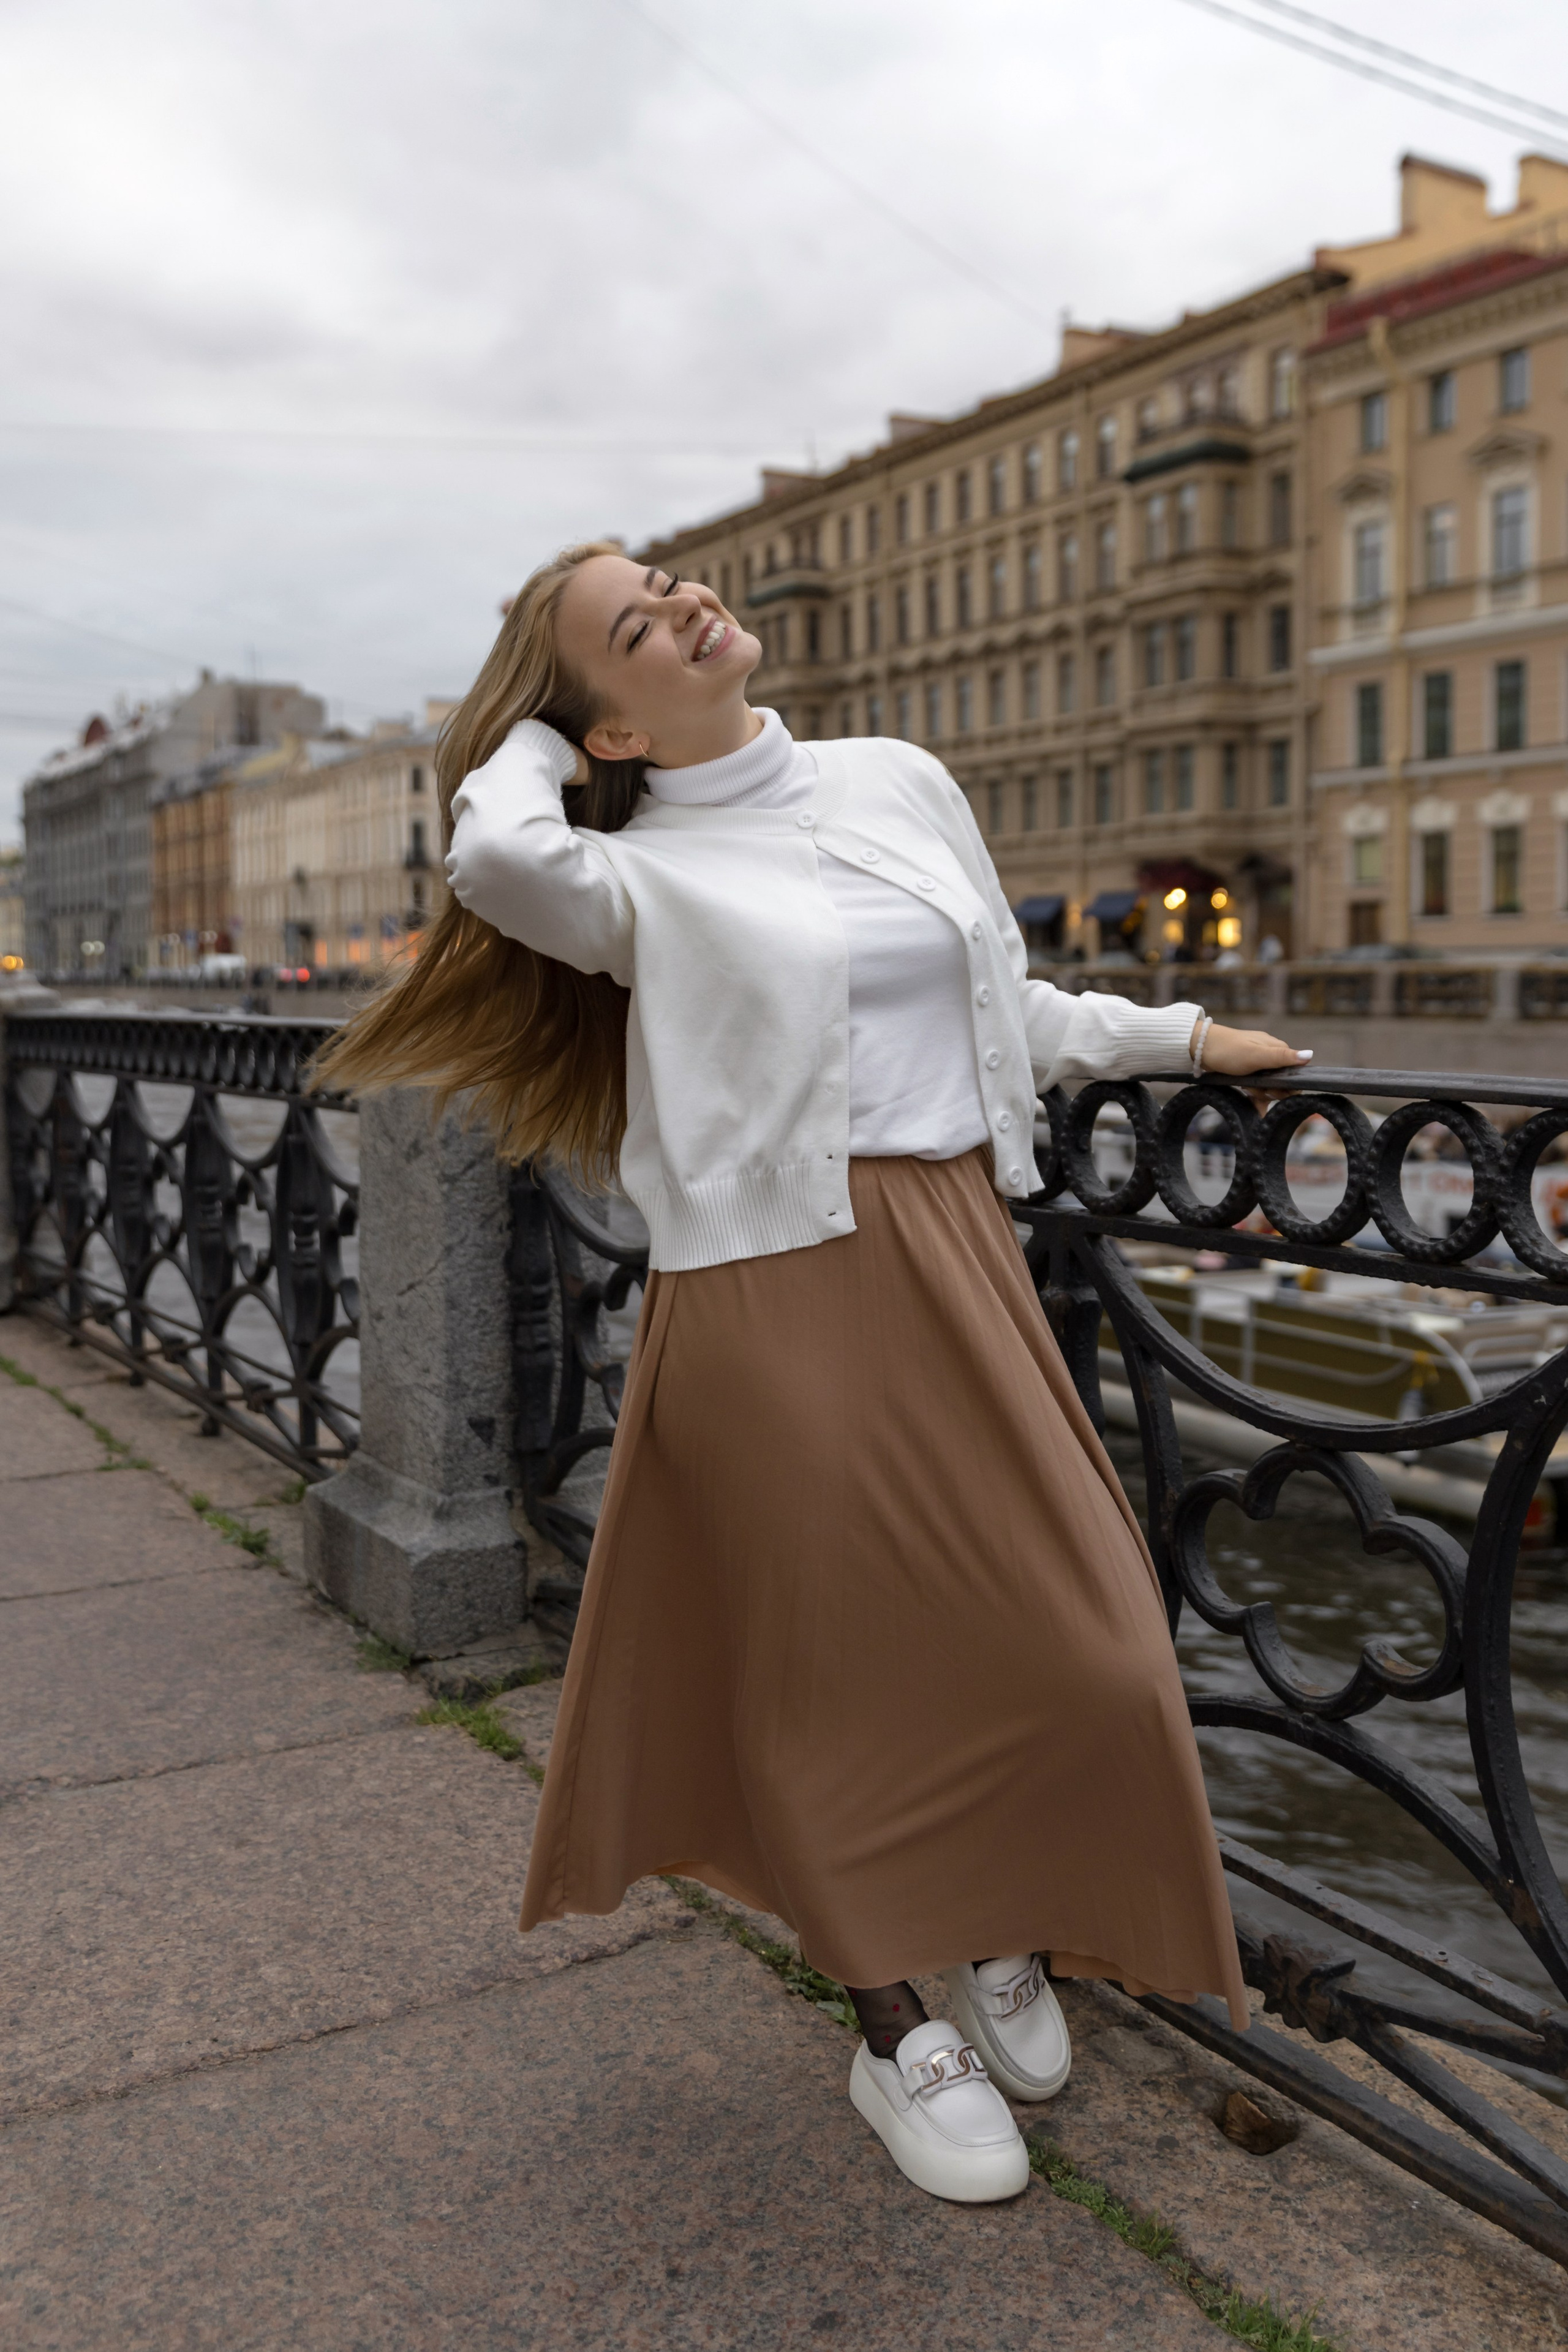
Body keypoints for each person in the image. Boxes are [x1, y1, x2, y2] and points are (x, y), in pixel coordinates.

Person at [317, 543, 1310, 2206]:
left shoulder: (896, 780)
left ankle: (998, 1913)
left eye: (673, 584)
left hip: (956, 1256)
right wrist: (549, 736)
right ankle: (891, 2020)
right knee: (825, 1677)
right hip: (770, 1292)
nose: (691, 607)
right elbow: (491, 852)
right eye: (638, 629)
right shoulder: (627, 879)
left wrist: (1183, 1037)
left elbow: (1005, 1002)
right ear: (609, 732)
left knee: (1093, 1644)